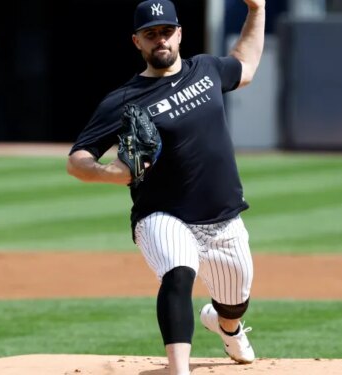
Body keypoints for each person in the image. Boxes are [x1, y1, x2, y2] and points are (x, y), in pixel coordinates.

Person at [66, 0, 264, 373]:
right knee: (178, 271)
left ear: (180, 34)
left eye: (166, 31)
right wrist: (111, 173)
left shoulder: (206, 70)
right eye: (150, 34)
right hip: (160, 212)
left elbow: (247, 64)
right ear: (136, 42)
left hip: (222, 217)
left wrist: (257, 9)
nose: (160, 40)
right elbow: (77, 159)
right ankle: (179, 369)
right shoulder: (122, 100)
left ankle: (228, 327)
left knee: (233, 302)